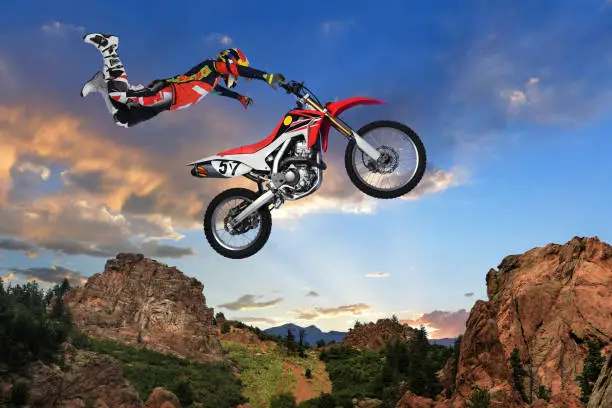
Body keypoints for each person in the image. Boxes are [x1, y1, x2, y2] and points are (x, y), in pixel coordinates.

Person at [80, 33, 286, 128]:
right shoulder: (214, 66)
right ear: (232, 61)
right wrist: (265, 76)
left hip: (166, 105)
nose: (234, 76)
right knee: (121, 95)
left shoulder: (212, 81)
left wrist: (239, 97)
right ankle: (108, 46)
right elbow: (234, 69)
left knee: (123, 120)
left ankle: (101, 82)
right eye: (236, 69)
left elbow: (218, 91)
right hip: (166, 92)